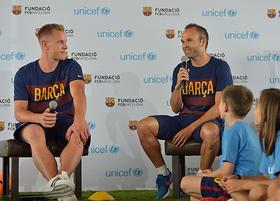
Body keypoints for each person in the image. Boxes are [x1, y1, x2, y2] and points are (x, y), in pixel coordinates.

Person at [136, 23, 233, 199]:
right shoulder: (180, 69)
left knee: (210, 132)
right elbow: (175, 107)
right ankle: (164, 175)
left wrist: (190, 129)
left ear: (203, 42)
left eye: (189, 40)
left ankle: (201, 179)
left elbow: (219, 107)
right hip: (183, 118)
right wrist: (178, 86)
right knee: (143, 126)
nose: (184, 45)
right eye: (182, 41)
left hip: (208, 121)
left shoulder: (220, 67)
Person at [13, 24, 91, 200]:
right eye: (60, 42)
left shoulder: (71, 66)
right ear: (45, 45)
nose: (65, 46)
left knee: (77, 133)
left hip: (64, 121)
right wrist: (39, 118)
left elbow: (79, 94)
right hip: (35, 123)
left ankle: (60, 184)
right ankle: (61, 188)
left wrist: (79, 120)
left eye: (66, 41)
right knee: (34, 131)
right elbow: (19, 113)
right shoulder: (24, 73)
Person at [180, 85, 261, 201]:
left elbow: (226, 172)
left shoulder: (232, 131)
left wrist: (205, 175)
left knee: (185, 182)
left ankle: (229, 198)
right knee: (194, 196)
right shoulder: (245, 128)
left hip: (235, 185)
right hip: (249, 184)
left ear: (225, 107)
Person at [220, 88, 280, 201]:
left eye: (257, 106)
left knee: (264, 191)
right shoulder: (266, 139)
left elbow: (278, 184)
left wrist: (244, 184)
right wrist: (240, 178)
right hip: (271, 189)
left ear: (266, 112)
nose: (253, 111)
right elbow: (265, 177)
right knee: (248, 190)